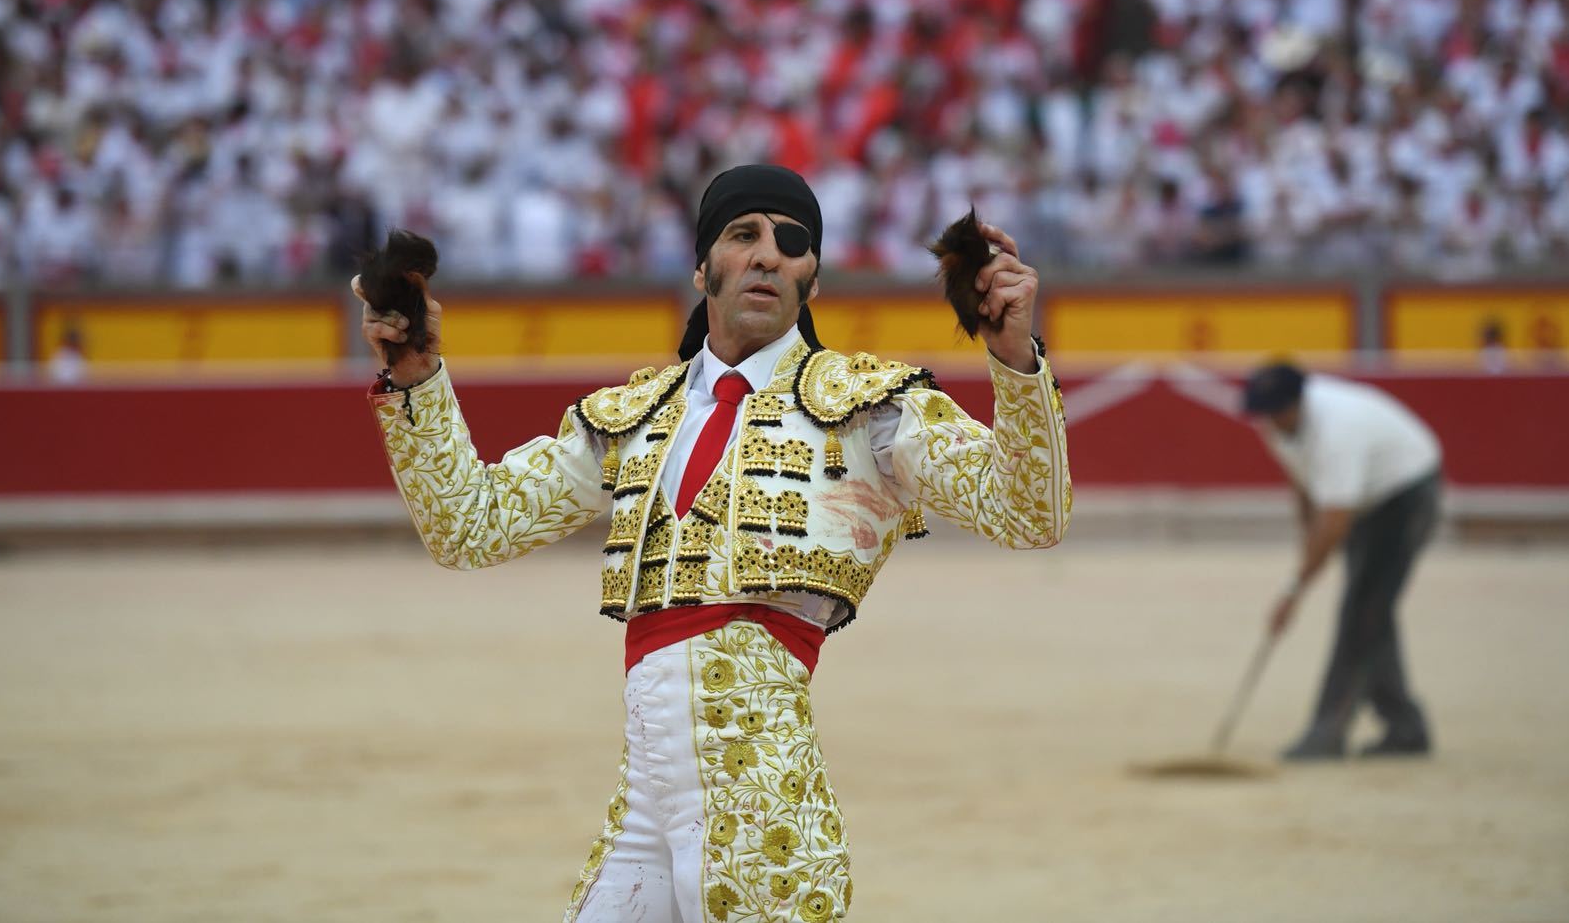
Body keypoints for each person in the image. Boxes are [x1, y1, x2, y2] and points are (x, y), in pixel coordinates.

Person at [354, 163, 1071, 921]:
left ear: (812, 280)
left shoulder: (871, 410)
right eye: (743, 235)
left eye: (791, 244)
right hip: (648, 794)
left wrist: (1014, 361)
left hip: (760, 783)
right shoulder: (633, 414)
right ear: (701, 267)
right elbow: (470, 527)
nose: (768, 255)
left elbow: (1030, 514)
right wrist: (415, 374)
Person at [1241, 362, 1443, 761]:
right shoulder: (1279, 426)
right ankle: (1405, 726)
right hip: (1368, 499)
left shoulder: (1337, 429)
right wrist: (1306, 552)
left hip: (1406, 494)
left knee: (1363, 610)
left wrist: (1294, 589)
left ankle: (1328, 732)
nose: (1269, 421)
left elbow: (1335, 520)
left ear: (1300, 402)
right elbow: (1306, 489)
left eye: (1276, 411)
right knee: (1369, 611)